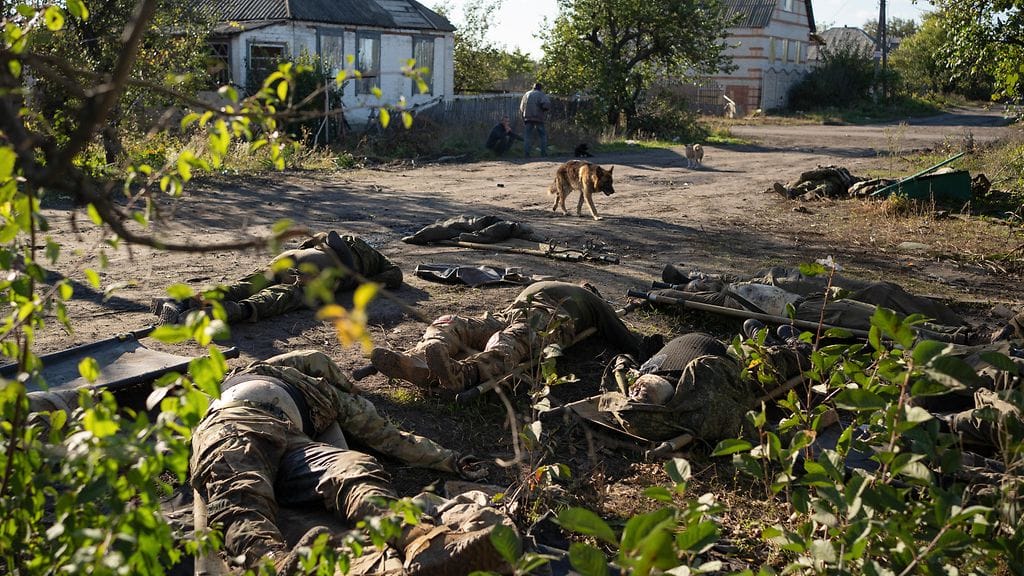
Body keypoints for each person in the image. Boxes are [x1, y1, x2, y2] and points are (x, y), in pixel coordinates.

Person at [189, 349, 510, 574]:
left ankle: (420, 541)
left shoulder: (325, 395)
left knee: (355, 469)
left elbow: (388, 437)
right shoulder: (238, 381)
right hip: (231, 425)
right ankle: (273, 563)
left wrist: (449, 460)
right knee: (241, 493)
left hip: (294, 441)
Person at [371, 281, 653, 396]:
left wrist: (643, 351)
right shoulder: (570, 289)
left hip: (548, 318)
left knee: (510, 341)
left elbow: (621, 335)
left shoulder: (592, 302)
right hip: (511, 313)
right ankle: (421, 357)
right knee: (453, 323)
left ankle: (464, 373)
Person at [153, 231, 402, 324]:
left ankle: (186, 302)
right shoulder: (377, 260)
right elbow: (396, 275)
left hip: (294, 255)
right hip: (321, 271)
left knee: (248, 284)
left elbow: (313, 240)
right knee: (281, 295)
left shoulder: (331, 238)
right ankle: (232, 312)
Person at [519, 82, 552, 158]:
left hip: (527, 118)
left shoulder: (526, 94)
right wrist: (543, 110)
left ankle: (526, 154)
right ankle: (543, 153)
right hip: (538, 118)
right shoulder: (541, 94)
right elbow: (546, 105)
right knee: (542, 136)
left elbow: (521, 107)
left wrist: (523, 116)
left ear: (533, 87)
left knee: (527, 136)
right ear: (540, 88)